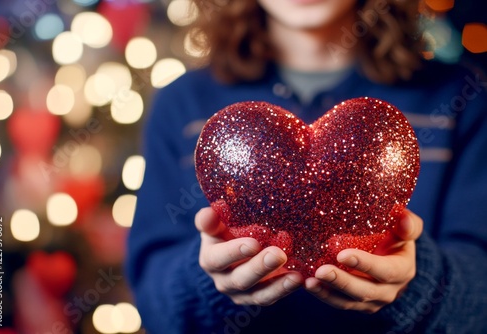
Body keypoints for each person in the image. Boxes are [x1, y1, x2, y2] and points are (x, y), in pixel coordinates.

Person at [126, 0, 487, 332]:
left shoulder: (462, 97)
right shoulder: (183, 103)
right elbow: (153, 300)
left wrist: (419, 285)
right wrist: (209, 279)